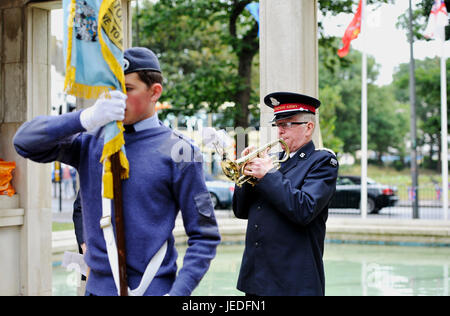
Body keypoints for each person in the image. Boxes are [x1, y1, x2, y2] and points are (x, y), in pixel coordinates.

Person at [14, 47, 221, 296]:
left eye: (128, 89)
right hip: (96, 290)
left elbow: (204, 235)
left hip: (153, 290)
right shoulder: (90, 140)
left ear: (155, 92)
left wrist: (177, 293)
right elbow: (24, 141)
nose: (118, 98)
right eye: (113, 90)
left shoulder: (181, 151)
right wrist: (86, 118)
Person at [232, 92, 338, 296]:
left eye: (288, 124)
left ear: (309, 127)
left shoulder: (322, 161)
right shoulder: (272, 161)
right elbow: (240, 211)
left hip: (293, 283)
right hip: (257, 280)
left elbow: (305, 210)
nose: (280, 131)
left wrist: (267, 175)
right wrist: (246, 174)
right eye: (278, 124)